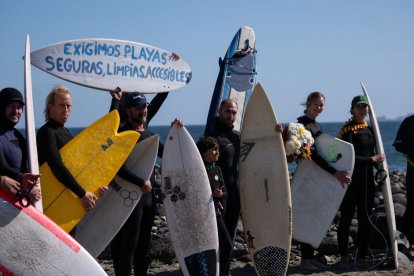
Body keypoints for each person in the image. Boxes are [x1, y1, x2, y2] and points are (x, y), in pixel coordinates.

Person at [109, 87, 183, 276]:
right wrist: (140, 182)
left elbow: (168, 155)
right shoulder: (123, 133)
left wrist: (176, 133)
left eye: (144, 106)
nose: (142, 110)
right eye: (137, 107)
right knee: (129, 245)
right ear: (128, 110)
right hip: (129, 196)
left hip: (148, 198)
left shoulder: (149, 135)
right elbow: (117, 166)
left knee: (144, 245)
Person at [296, 91, 351, 271]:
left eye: (321, 106)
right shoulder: (301, 125)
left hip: (318, 175)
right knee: (307, 215)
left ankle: (309, 258)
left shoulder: (316, 125)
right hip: (309, 177)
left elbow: (324, 151)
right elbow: (313, 155)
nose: (319, 108)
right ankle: (305, 260)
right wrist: (335, 173)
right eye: (316, 105)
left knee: (315, 214)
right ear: (308, 103)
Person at [37, 85, 101, 233]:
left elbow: (77, 168)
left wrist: (94, 187)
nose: (66, 109)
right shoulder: (47, 133)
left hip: (69, 198)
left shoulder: (65, 132)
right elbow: (56, 166)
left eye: (68, 106)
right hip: (54, 202)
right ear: (50, 107)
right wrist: (82, 194)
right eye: (61, 105)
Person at [337, 95, 384, 267]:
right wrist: (371, 160)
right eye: (359, 107)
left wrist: (380, 168)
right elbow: (349, 157)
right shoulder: (347, 130)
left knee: (365, 219)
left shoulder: (371, 130)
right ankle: (343, 256)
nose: (362, 110)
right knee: (346, 219)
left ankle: (362, 256)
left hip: (367, 182)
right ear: (353, 109)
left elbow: (379, 153)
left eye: (365, 107)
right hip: (350, 182)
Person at [205, 99, 241, 250]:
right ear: (220, 111)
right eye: (227, 111)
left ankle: (225, 271)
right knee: (219, 236)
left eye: (234, 112)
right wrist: (214, 196)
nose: (230, 115)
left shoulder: (237, 136)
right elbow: (206, 167)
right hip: (220, 193)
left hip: (234, 191)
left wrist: (277, 133)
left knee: (231, 232)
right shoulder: (212, 137)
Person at [197, 136, 233, 276]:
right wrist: (213, 197)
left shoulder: (217, 169)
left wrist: (219, 195)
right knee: (226, 245)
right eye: (213, 150)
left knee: (222, 246)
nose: (217, 152)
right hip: (207, 215)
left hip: (218, 213)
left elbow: (226, 193)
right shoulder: (199, 171)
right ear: (203, 153)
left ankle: (223, 272)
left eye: (218, 149)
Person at [0, 87, 40, 203]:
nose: (16, 111)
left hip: (21, 199)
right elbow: (2, 166)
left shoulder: (18, 135)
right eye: (11, 106)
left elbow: (26, 165)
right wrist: (21, 179)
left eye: (19, 107)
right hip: (5, 202)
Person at [393, 114, 414, 258]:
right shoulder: (409, 122)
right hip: (413, 171)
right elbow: (398, 144)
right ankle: (403, 245)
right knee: (412, 208)